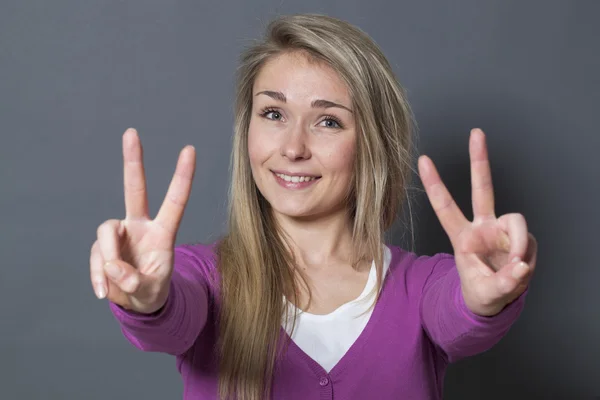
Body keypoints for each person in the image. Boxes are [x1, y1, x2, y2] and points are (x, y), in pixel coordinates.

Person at [89, 13, 538, 400]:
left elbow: (457, 312)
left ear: (371, 145)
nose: (293, 147)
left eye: (328, 121)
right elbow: (170, 319)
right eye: (273, 114)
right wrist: (147, 301)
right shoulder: (201, 279)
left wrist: (483, 301)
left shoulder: (422, 287)